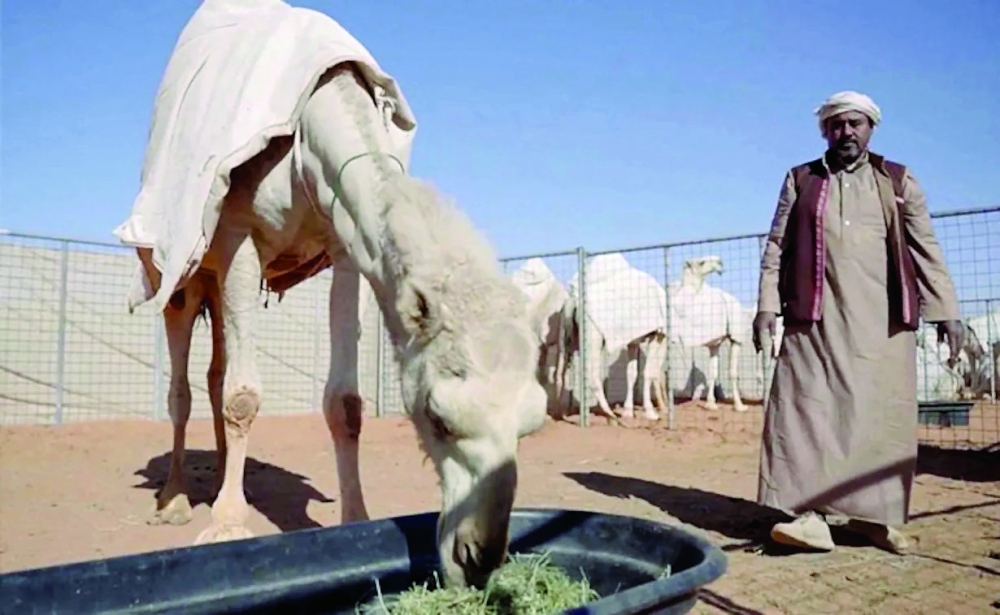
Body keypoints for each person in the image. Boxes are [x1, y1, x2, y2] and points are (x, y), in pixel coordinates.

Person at [752, 90, 964, 554]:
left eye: (855, 124)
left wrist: (946, 313)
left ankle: (873, 518)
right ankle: (808, 516)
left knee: (880, 416)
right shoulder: (801, 180)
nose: (845, 132)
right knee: (807, 409)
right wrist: (767, 305)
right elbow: (776, 248)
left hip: (882, 324)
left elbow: (926, 249)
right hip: (814, 321)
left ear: (871, 128)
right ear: (825, 130)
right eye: (836, 124)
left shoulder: (897, 181)